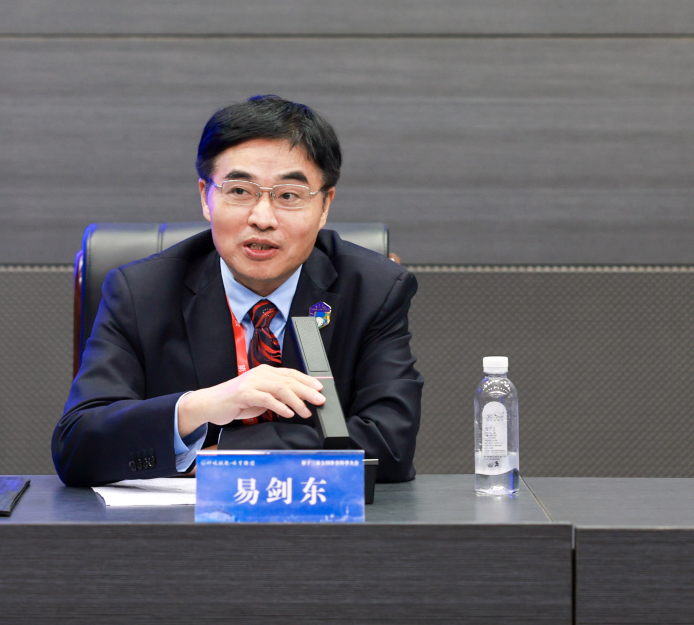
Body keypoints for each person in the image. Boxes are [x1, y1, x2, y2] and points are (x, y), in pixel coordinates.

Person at [52, 95, 423, 487]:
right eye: (240, 191)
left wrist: (228, 453)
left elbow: (390, 446)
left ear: (324, 205)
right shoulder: (141, 293)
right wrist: (201, 406)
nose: (262, 218)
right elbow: (77, 446)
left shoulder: (373, 290)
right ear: (206, 196)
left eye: (288, 195)